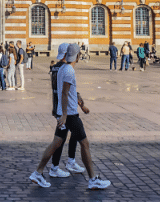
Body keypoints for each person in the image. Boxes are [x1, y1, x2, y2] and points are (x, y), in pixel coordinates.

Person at [29, 44, 110, 190]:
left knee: (56, 143)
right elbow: (65, 93)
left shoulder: (63, 69)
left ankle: (38, 172)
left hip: (64, 112)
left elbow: (68, 92)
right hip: (70, 115)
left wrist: (71, 109)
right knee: (84, 144)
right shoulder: (69, 71)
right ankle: (93, 179)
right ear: (77, 56)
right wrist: (65, 115)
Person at [46, 44, 84, 179]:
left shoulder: (56, 67)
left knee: (65, 137)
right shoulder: (64, 68)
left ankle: (66, 163)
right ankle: (58, 166)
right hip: (64, 109)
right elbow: (64, 91)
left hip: (60, 107)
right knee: (60, 140)